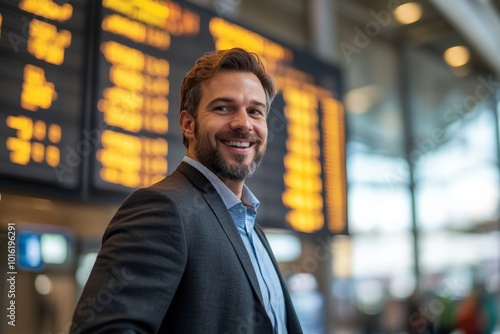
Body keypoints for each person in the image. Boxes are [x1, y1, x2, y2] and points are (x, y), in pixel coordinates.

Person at [70, 48, 303, 334]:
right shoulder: (162, 209)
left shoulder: (253, 231)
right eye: (223, 108)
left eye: (255, 111)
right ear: (188, 124)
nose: (244, 123)